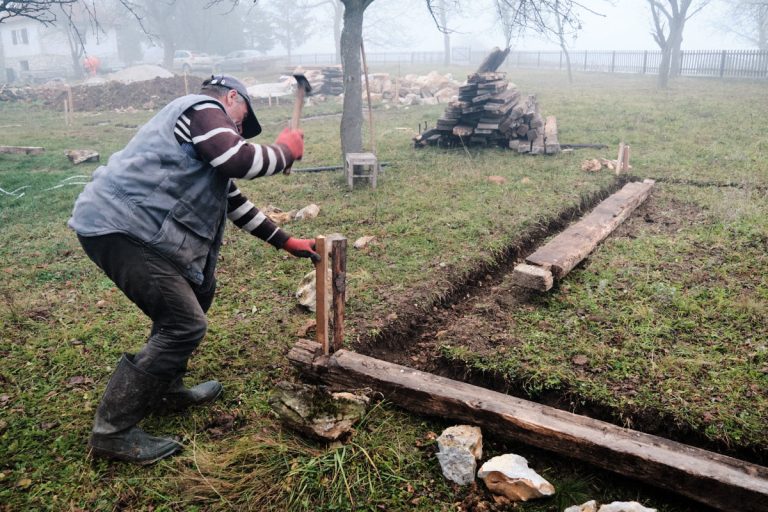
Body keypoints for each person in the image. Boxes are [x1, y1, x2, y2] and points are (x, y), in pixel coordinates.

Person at [68, 75, 319, 465]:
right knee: (184, 323)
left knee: (199, 293)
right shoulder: (201, 109)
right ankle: (112, 432)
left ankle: (166, 389)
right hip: (121, 226)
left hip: (141, 230)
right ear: (231, 97)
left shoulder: (206, 143)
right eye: (240, 122)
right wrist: (283, 151)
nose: (236, 131)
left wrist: (285, 241)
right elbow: (237, 159)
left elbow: (233, 201)